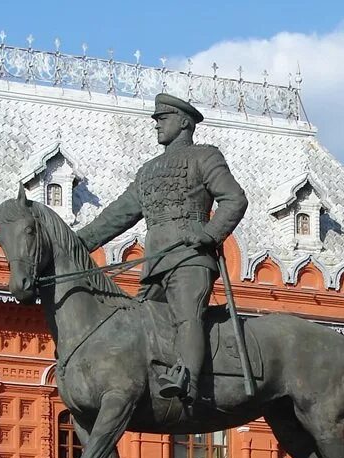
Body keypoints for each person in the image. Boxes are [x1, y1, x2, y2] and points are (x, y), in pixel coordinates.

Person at [76, 93, 248, 403]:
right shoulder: (148, 170)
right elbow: (118, 215)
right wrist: (75, 243)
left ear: (184, 123)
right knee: (137, 320)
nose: (157, 125)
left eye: (163, 119)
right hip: (155, 264)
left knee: (186, 316)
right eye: (157, 119)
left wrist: (210, 235)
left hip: (190, 257)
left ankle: (189, 382)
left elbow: (234, 199)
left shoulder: (204, 157)